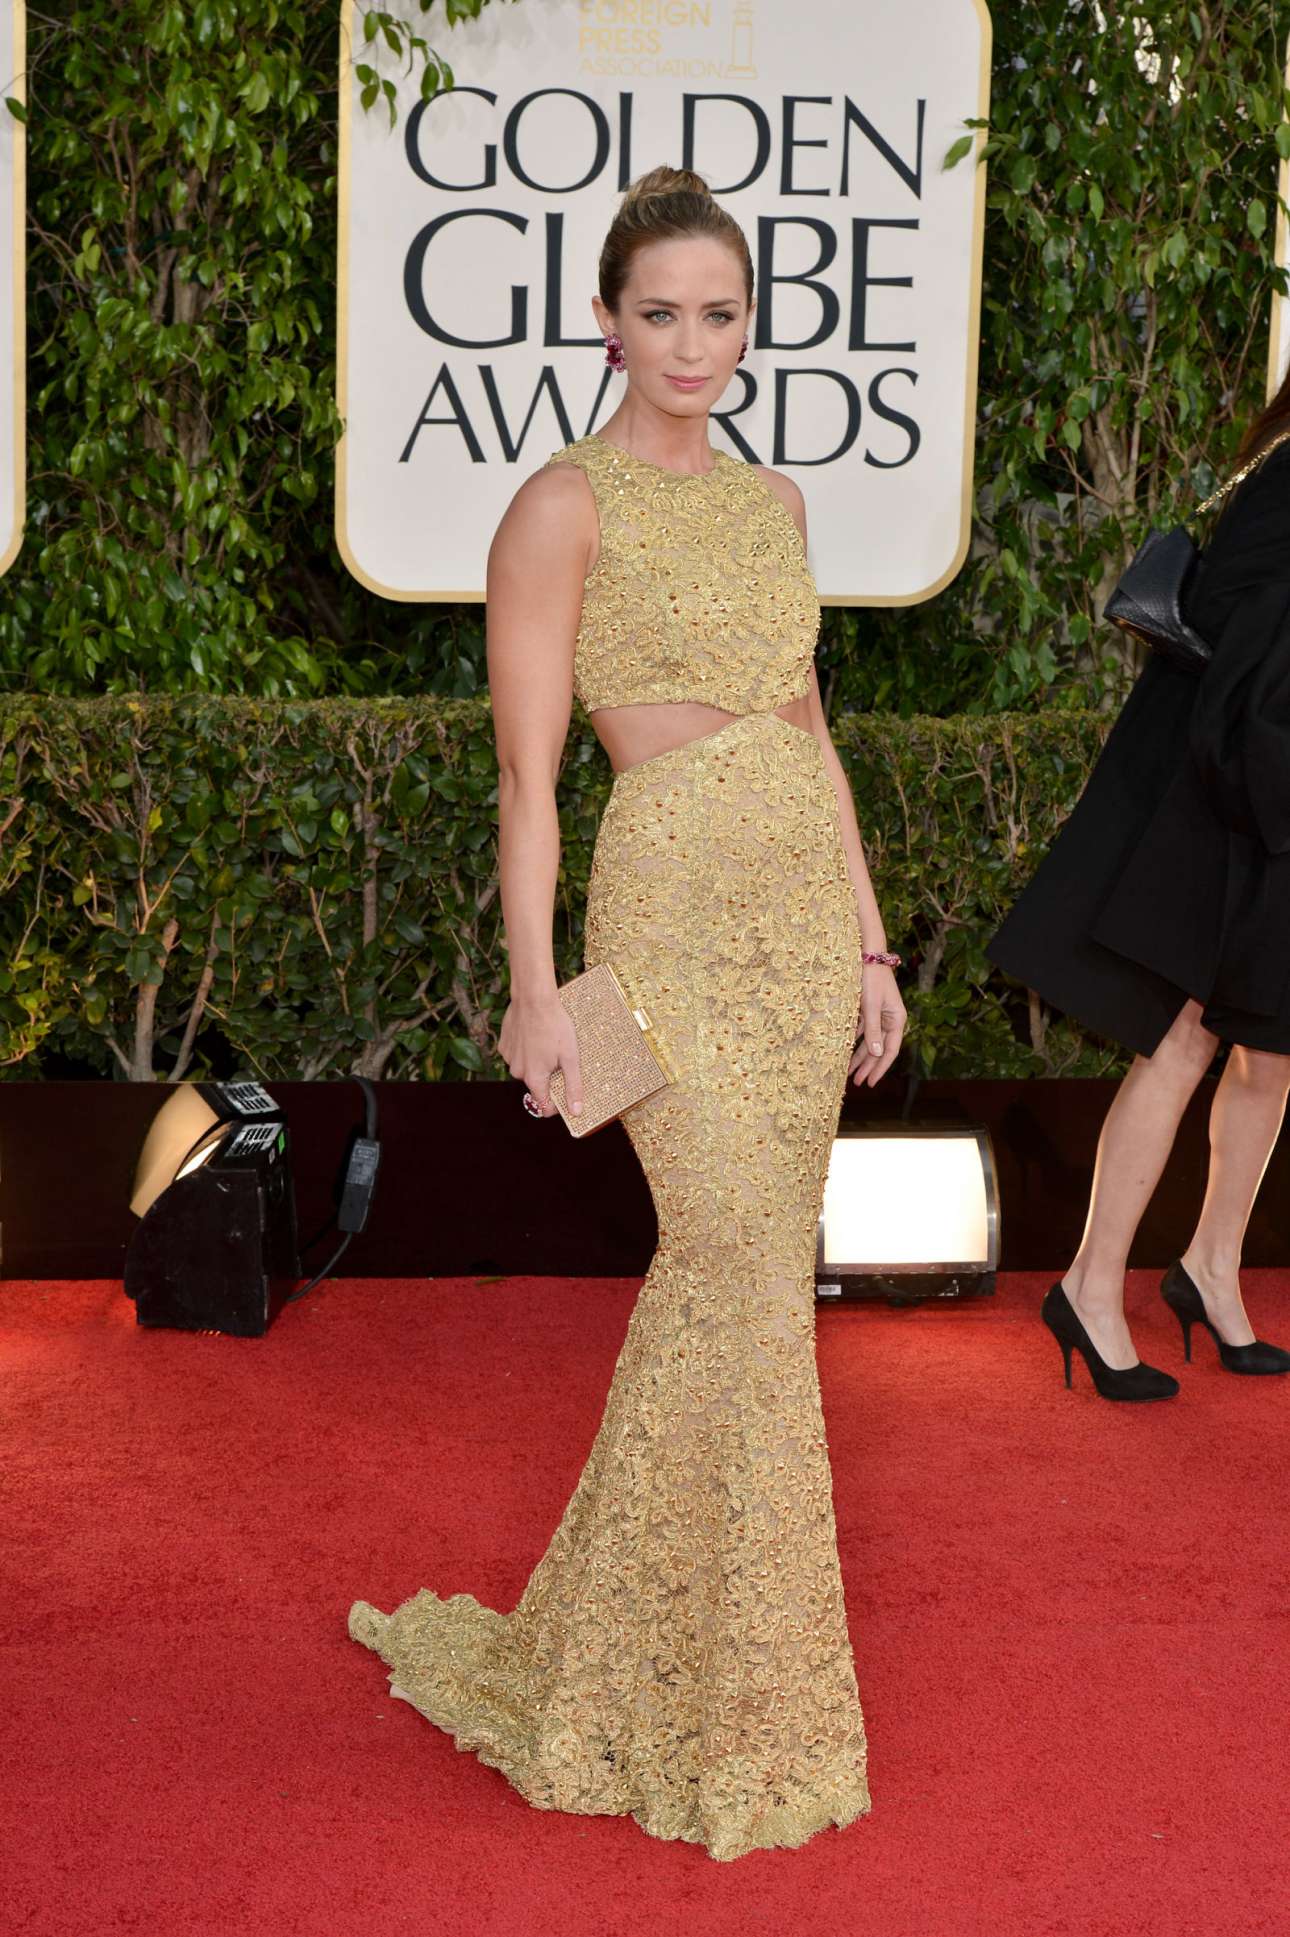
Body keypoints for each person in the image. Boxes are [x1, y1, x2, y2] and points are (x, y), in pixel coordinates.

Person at [347, 166, 906, 1860]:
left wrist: (871, 948)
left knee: (749, 1286)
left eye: (718, 314)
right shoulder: (558, 507)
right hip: (659, 915)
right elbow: (527, 782)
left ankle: (679, 1671)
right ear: (604, 321)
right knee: (720, 1254)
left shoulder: (777, 504)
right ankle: (667, 1680)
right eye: (658, 312)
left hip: (799, 928)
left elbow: (809, 734)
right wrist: (537, 993)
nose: (690, 343)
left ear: (748, 327)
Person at [986, 373, 1290, 1401]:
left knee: (1274, 1047)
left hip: (1268, 794)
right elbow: (1242, 636)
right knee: (1188, 1030)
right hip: (1235, 792)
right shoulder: (1288, 473)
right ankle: (1090, 1285)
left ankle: (1211, 1267)